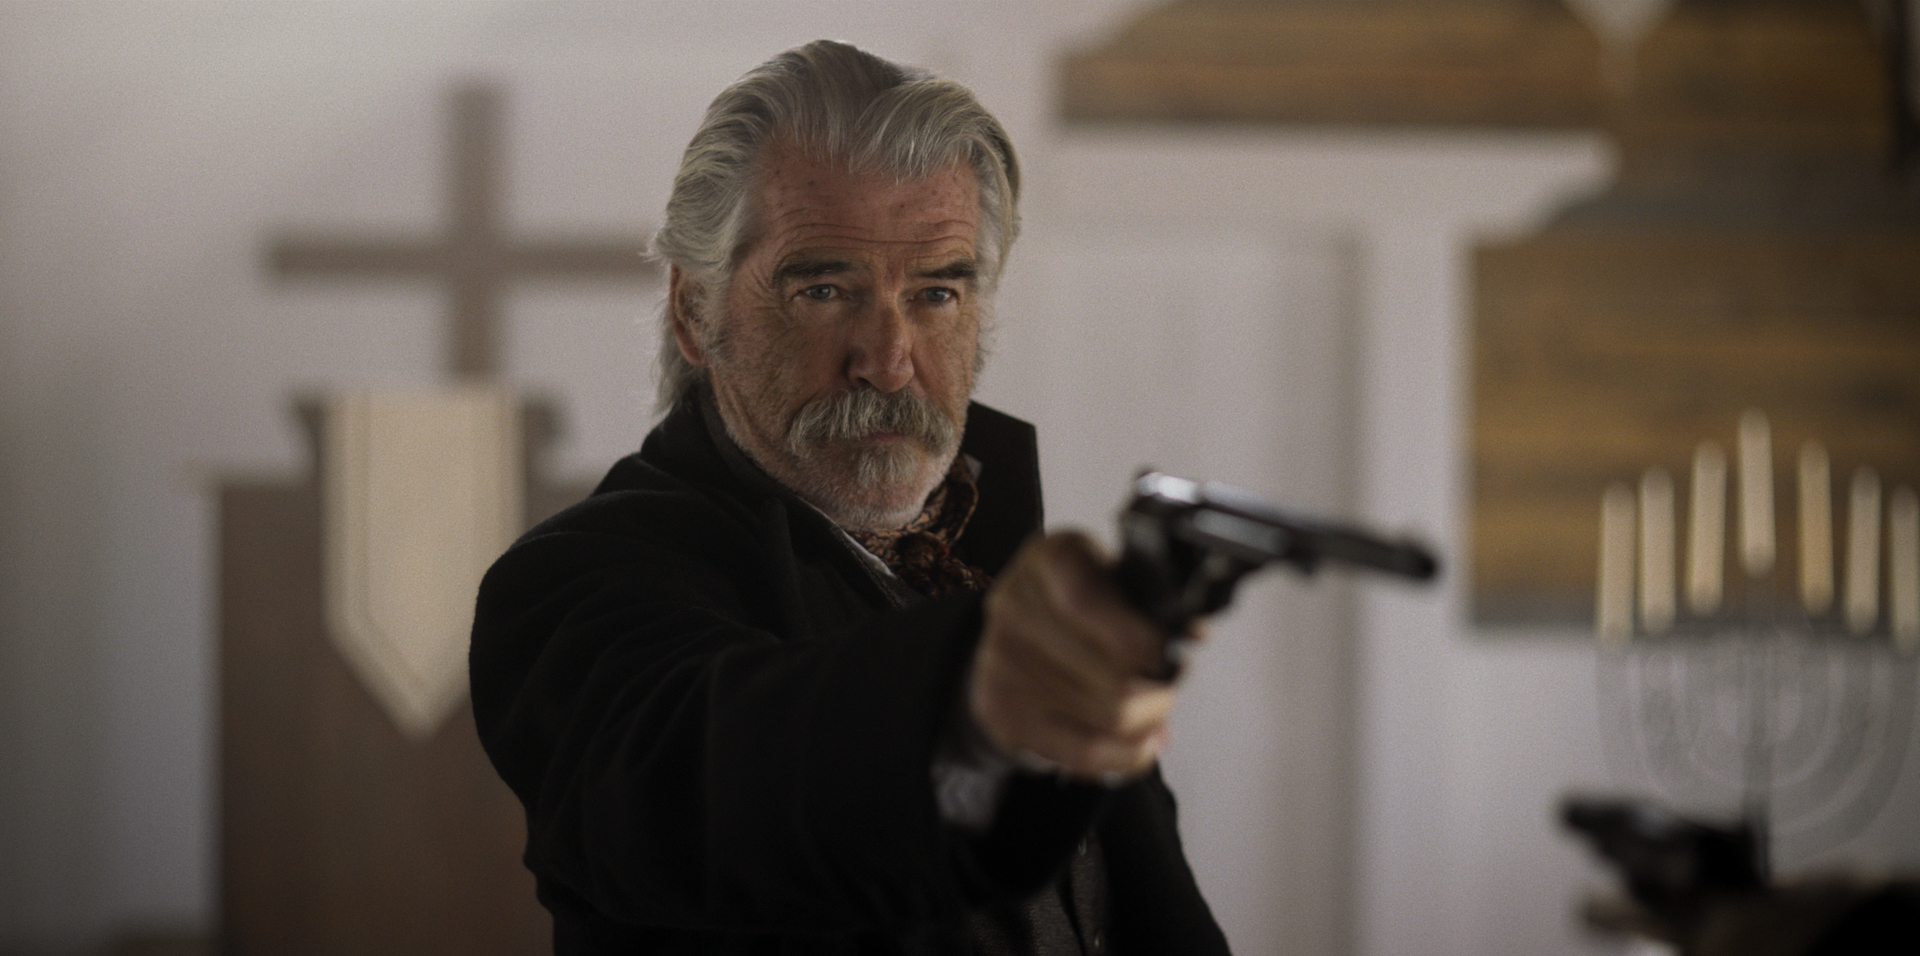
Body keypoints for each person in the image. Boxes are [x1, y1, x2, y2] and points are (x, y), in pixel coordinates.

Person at [469, 39, 1231, 955]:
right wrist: (974, 704)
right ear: (694, 312)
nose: (889, 359)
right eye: (826, 289)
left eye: (937, 293)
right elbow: (721, 777)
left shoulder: (999, 560)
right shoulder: (574, 585)